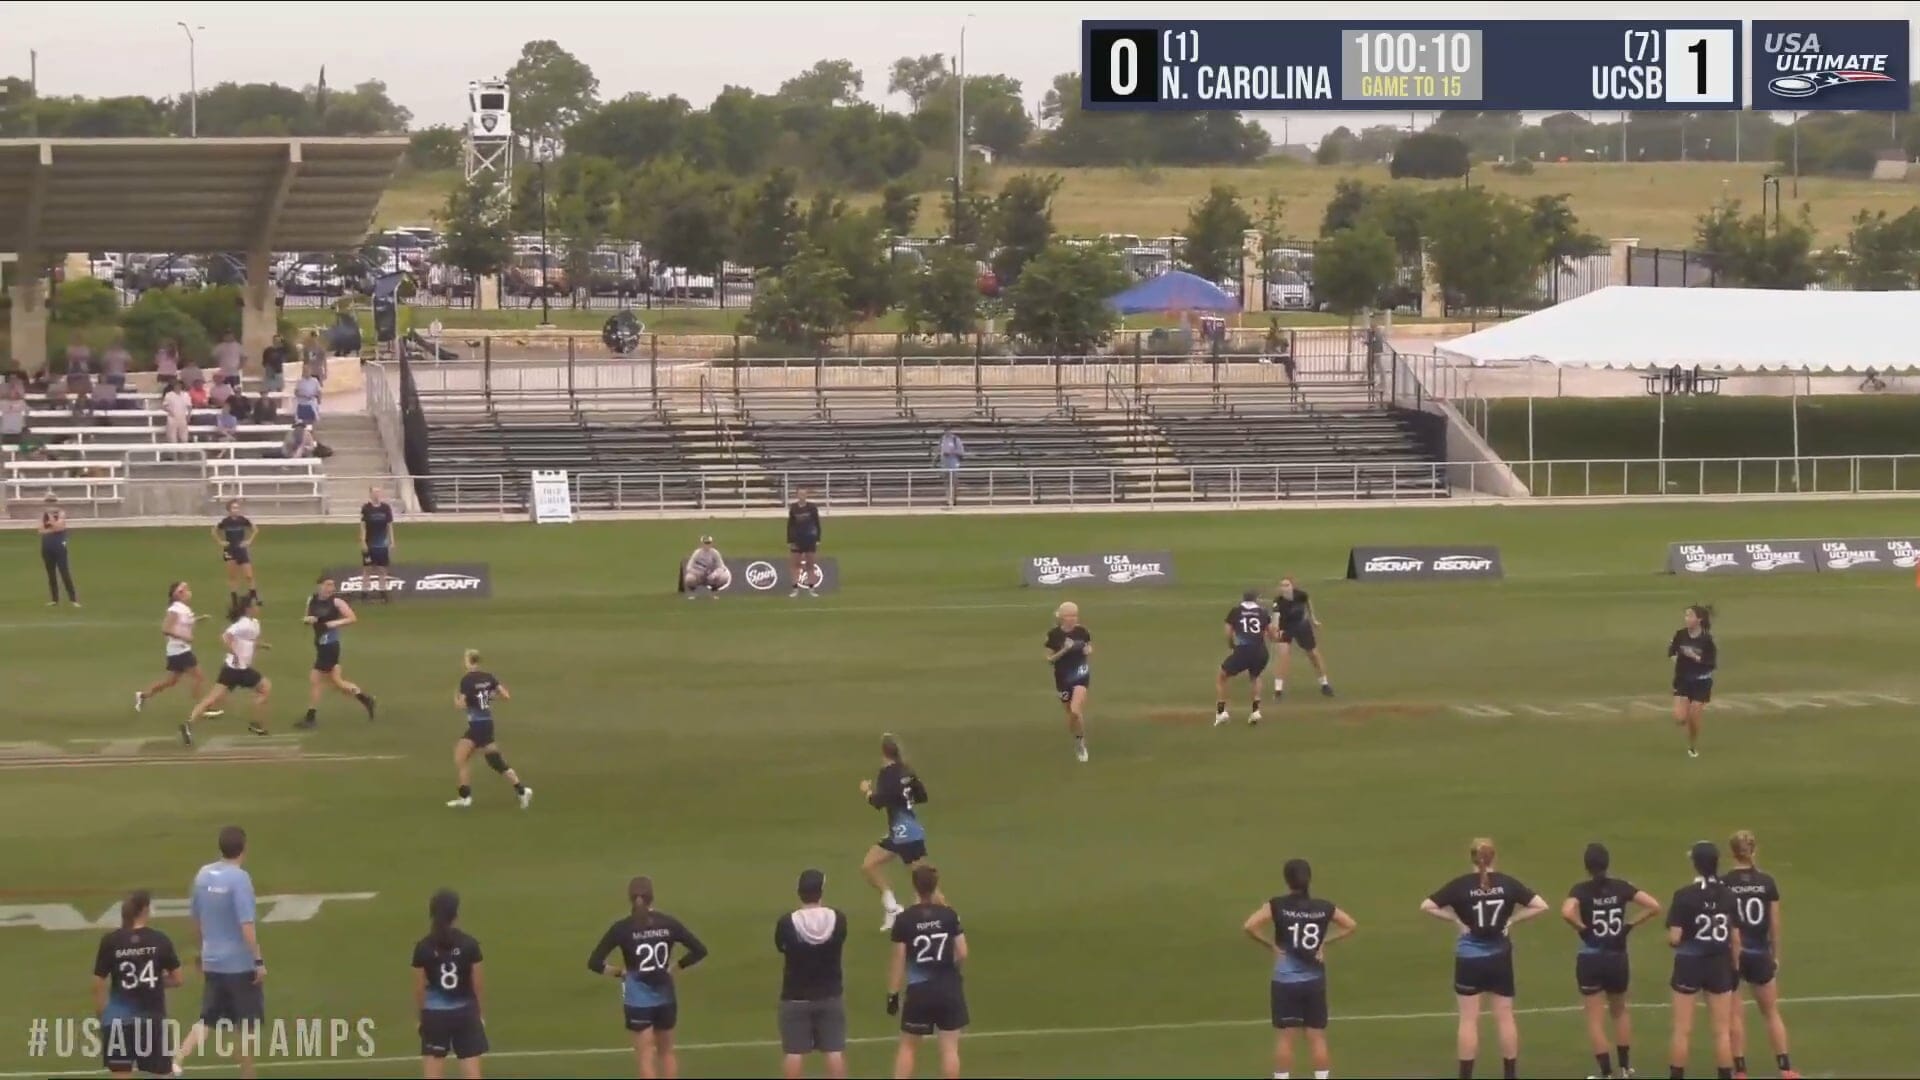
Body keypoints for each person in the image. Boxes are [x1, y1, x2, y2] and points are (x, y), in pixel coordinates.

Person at [1420, 838, 1550, 1080]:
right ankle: (1510, 1075)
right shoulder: (1507, 884)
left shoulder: (1460, 886)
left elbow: (1427, 905)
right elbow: (1541, 905)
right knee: (1505, 1017)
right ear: (1494, 857)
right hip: (1500, 957)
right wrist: (1512, 920)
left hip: (1469, 959)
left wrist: (1456, 920)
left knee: (1468, 1020)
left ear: (1472, 858)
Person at [1242, 858, 1356, 1080]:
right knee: (1317, 1037)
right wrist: (1325, 942)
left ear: (1287, 881)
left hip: (1285, 980)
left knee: (1286, 1038)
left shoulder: (1277, 905)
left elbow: (1250, 926)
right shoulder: (1324, 907)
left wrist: (1271, 946)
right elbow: (1351, 924)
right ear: (1308, 879)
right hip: (1314, 980)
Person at [587, 876, 710, 1080]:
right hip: (666, 996)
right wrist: (676, 967)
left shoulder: (622, 928)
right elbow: (699, 950)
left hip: (637, 999)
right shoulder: (668, 923)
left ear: (630, 898)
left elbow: (594, 963)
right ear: (652, 897)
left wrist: (620, 972)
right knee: (667, 1053)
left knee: (645, 1057)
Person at [1562, 842, 1662, 1080]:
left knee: (1595, 1019)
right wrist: (1629, 925)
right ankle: (1626, 1068)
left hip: (1590, 958)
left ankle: (1606, 1072)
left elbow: (1566, 912)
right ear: (1607, 863)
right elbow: (1654, 906)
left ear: (1586, 866)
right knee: (1619, 1012)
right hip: (1617, 957)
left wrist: (1582, 928)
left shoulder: (1580, 890)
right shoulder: (1621, 887)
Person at [173, 826, 264, 1078]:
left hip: (213, 961)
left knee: (207, 1019)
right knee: (246, 1025)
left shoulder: (203, 875)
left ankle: (177, 1059)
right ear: (244, 848)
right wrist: (258, 960)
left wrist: (202, 952)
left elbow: (196, 920)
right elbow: (246, 926)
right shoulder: (240, 879)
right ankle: (248, 1075)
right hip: (239, 965)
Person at [1665, 841, 1742, 1080]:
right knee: (1721, 1032)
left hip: (1689, 964)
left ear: (1695, 865)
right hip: (1719, 964)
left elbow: (1674, 938)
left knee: (1682, 1030)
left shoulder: (1684, 895)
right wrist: (1735, 969)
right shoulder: (1728, 895)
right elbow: (1735, 938)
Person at [1725, 831, 1796, 1080]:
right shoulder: (1767, 882)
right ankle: (1785, 1067)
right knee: (1771, 1012)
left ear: (1732, 852)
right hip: (1760, 953)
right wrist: (1775, 954)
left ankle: (1741, 1071)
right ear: (1753, 851)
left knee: (1735, 1014)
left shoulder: (1725, 883)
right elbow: (1774, 923)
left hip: (1733, 955)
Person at [93, 889, 185, 1079]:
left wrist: (102, 1015)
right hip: (151, 1018)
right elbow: (178, 979)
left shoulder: (110, 941)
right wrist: (154, 982)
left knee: (121, 1073)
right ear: (145, 911)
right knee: (162, 1073)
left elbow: (98, 983)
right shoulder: (160, 940)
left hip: (117, 1019)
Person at [887, 864, 967, 1080]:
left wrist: (893, 994)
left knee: (908, 1047)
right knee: (950, 1049)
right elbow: (963, 952)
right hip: (949, 988)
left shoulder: (904, 919)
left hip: (919, 990)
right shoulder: (949, 915)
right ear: (936, 886)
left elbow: (899, 959)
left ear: (914, 887)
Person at [775, 869, 849, 1080]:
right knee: (834, 1051)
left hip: (795, 995)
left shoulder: (787, 922)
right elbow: (839, 939)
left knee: (794, 1053)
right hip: (830, 993)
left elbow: (781, 946)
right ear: (821, 891)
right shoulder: (838, 919)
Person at [413, 889, 488, 1079]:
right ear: (456, 914)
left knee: (433, 1075)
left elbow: (419, 988)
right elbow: (477, 983)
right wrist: (479, 1013)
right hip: (465, 1013)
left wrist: (422, 1017)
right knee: (472, 1074)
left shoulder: (423, 947)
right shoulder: (470, 944)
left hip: (435, 1015)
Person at [447, 649, 532, 810]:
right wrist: (488, 697)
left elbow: (462, 705)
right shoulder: (488, 677)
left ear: (468, 661)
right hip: (486, 722)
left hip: (477, 725)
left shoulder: (467, 680)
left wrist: (456, 699)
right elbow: (505, 696)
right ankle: (522, 790)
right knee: (495, 761)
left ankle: (465, 797)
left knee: (461, 757)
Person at [861, 734, 930, 930]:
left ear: (883, 754)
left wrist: (867, 791)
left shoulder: (888, 773)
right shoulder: (907, 771)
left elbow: (878, 802)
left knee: (924, 883)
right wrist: (904, 800)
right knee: (869, 865)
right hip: (899, 832)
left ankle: (950, 918)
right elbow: (922, 796)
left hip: (907, 834)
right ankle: (892, 908)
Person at [185, 595, 272, 743]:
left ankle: (189, 723)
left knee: (212, 698)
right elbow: (225, 636)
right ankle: (256, 724)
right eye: (255, 605)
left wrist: (262, 646)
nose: (257, 608)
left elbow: (249, 642)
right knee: (265, 688)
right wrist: (234, 653)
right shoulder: (242, 624)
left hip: (233, 669)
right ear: (248, 609)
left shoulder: (254, 623)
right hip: (238, 669)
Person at [295, 576, 376, 729]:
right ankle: (365, 698)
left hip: (330, 645)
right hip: (320, 644)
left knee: (316, 680)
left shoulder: (337, 602)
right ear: (319, 586)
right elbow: (306, 618)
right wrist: (308, 620)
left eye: (332, 584)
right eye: (327, 584)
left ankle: (310, 718)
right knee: (337, 682)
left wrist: (335, 623)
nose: (330, 587)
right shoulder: (311, 600)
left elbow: (352, 618)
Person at [136, 581, 210, 714]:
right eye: (184, 590)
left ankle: (142, 696)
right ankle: (201, 709)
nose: (188, 592)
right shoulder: (175, 609)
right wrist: (185, 637)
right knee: (199, 677)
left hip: (178, 651)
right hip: (180, 651)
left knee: (170, 682)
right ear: (178, 594)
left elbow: (184, 623)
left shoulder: (183, 609)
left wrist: (199, 619)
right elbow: (166, 629)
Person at [1215, 590, 1274, 727]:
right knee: (1255, 677)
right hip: (1261, 652)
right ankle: (1255, 711)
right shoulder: (1263, 612)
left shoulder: (1236, 611)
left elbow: (1228, 632)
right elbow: (1272, 634)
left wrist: (1231, 645)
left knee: (1222, 676)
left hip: (1243, 650)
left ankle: (1221, 712)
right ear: (1256, 599)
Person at [1043, 601, 1092, 763]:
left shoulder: (1082, 631)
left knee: (1076, 709)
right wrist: (1064, 649)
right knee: (1071, 715)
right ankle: (1078, 738)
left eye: (1075, 615)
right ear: (1062, 617)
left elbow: (1088, 647)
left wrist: (1088, 650)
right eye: (1069, 615)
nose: (1072, 619)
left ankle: (1081, 745)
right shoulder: (1054, 635)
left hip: (1080, 674)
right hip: (1062, 677)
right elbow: (1049, 659)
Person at [1272, 577, 1334, 700]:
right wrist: (1276, 631)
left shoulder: (1301, 595)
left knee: (1313, 655)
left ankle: (1324, 684)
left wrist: (1313, 620)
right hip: (1285, 628)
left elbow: (1308, 603)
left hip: (1302, 626)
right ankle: (1278, 690)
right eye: (1282, 585)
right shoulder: (1278, 602)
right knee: (1283, 656)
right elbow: (1275, 618)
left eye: (1287, 585)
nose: (1284, 588)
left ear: (1292, 586)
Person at [1670, 605, 1717, 758]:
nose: (1687, 619)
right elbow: (1672, 651)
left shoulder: (1707, 640)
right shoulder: (1680, 635)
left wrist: (1694, 657)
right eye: (1686, 616)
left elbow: (1711, 663)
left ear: (1699, 620)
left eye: (1690, 616)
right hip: (1683, 680)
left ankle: (1692, 745)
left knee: (1694, 715)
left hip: (1701, 682)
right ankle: (1684, 720)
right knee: (1680, 718)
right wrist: (1676, 658)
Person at [213, 499, 259, 606]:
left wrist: (249, 541)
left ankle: (254, 597)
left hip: (241, 550)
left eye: (237, 508)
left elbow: (255, 529)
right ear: (229, 510)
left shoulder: (243, 520)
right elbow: (214, 531)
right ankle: (234, 600)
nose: (236, 510)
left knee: (249, 575)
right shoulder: (225, 522)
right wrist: (221, 542)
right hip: (230, 550)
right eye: (234, 508)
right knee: (233, 576)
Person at [359, 487, 398, 601]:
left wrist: (392, 541)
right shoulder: (366, 508)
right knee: (367, 569)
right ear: (370, 494)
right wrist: (363, 541)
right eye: (374, 492)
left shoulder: (386, 508)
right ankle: (365, 592)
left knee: (382, 569)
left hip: (382, 544)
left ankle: (383, 592)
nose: (377, 494)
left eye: (378, 492)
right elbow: (363, 526)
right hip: (369, 543)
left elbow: (389, 525)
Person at [40, 495, 79, 607]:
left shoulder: (61, 513)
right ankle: (54, 599)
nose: (49, 504)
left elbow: (59, 527)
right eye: (48, 502)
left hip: (59, 545)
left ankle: (73, 599)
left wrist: (51, 521)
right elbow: (41, 530)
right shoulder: (43, 515)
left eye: (51, 502)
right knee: (51, 574)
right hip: (47, 546)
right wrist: (53, 527)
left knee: (64, 571)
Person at [786, 490, 823, 598]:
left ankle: (811, 588)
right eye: (800, 494)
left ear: (806, 495)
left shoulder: (812, 507)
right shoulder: (793, 508)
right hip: (796, 540)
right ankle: (795, 589)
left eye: (804, 494)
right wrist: (789, 540)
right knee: (795, 565)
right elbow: (790, 525)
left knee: (810, 565)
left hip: (809, 539)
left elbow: (817, 523)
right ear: (797, 495)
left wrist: (818, 538)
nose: (802, 496)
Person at [937, 429, 966, 505]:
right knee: (946, 482)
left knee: (954, 482)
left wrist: (951, 452)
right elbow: (939, 450)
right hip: (944, 464)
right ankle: (948, 499)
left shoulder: (956, 439)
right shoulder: (942, 439)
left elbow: (961, 452)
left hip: (953, 463)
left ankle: (954, 498)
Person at [161, 379, 192, 447]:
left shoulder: (185, 395)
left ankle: (184, 454)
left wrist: (189, 415)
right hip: (172, 418)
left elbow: (189, 406)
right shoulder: (169, 395)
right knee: (172, 438)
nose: (178, 386)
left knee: (184, 438)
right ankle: (174, 455)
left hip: (182, 417)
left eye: (179, 385)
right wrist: (169, 411)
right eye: (176, 385)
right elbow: (163, 406)